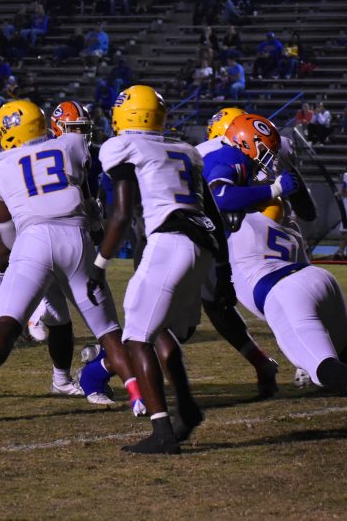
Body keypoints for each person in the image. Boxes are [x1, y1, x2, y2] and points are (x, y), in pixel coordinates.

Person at [0, 100, 143, 422]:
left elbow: (4, 236)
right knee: (108, 330)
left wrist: (11, 259)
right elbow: (82, 187)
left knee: (8, 324)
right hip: (75, 238)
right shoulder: (74, 143)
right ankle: (138, 394)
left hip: (31, 242)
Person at [94, 85, 230, 454]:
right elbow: (215, 216)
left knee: (137, 338)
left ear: (127, 113)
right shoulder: (186, 150)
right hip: (202, 244)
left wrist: (99, 263)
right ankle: (186, 408)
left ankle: (162, 432)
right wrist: (224, 270)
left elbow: (121, 214)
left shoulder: (123, 146)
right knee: (161, 331)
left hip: (169, 241)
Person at [205, 115, 347, 397]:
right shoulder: (270, 188)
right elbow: (306, 211)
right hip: (317, 276)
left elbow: (221, 198)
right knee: (345, 353)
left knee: (325, 371)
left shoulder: (228, 178)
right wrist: (276, 187)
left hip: (282, 290)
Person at [192, 108, 282, 397]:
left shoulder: (224, 152)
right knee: (170, 319)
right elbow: (221, 195)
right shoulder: (228, 157)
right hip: (176, 232)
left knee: (217, 305)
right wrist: (273, 190)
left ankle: (261, 363)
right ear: (245, 141)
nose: (269, 160)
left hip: (199, 235)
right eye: (265, 152)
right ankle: (103, 367)